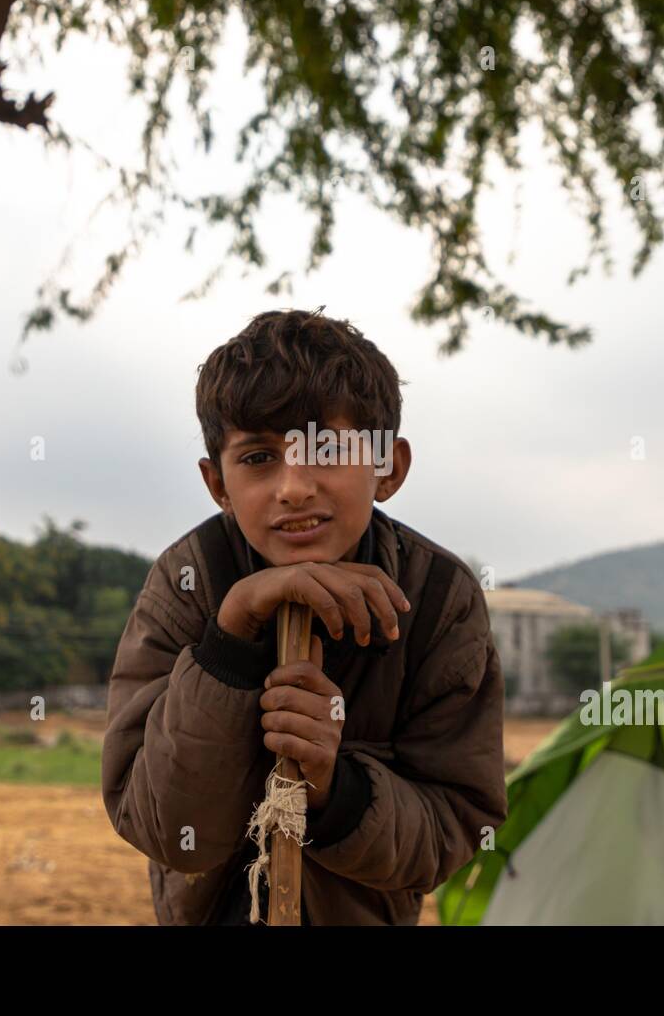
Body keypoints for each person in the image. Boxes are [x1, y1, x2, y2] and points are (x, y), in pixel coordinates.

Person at [101, 308, 507, 925]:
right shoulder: (189, 583)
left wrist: (333, 788)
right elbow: (166, 830)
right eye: (259, 458)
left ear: (388, 467)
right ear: (217, 484)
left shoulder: (437, 598)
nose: (293, 486)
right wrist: (230, 638)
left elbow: (456, 827)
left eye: (329, 448)